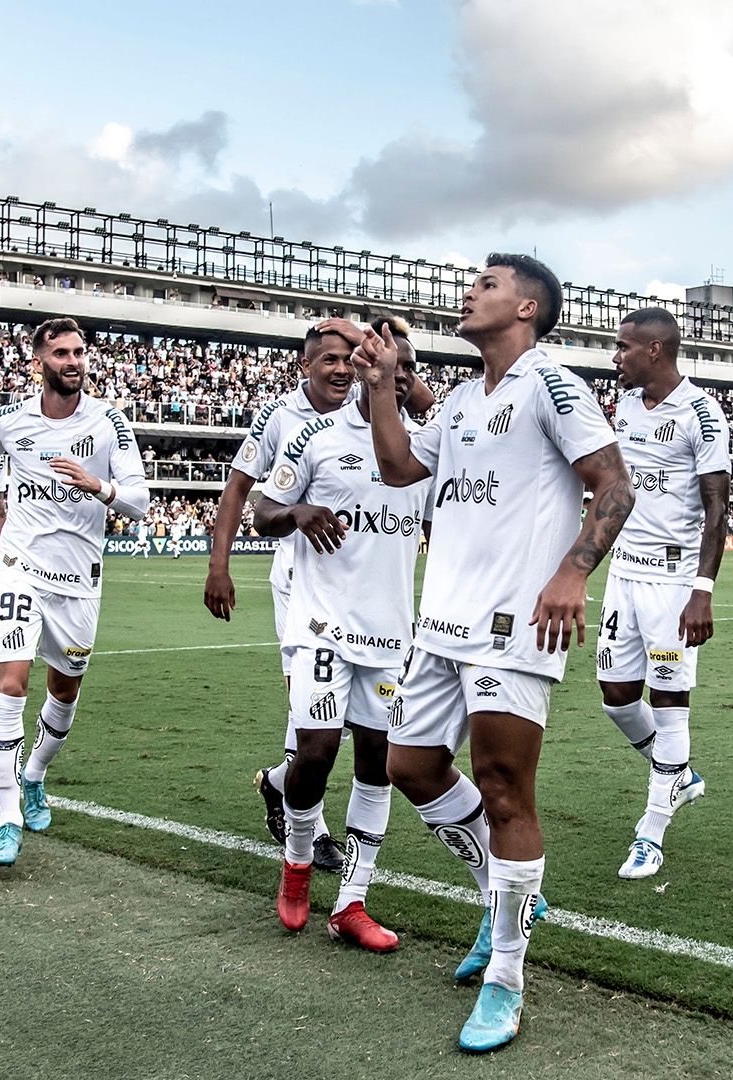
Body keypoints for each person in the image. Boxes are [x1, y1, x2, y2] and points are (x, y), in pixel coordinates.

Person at [352, 253, 634, 1052]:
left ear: (526, 309)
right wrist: (382, 389)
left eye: (487, 285)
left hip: (512, 624)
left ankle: (507, 978)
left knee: (504, 789)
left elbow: (614, 486)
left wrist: (574, 572)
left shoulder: (551, 383)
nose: (469, 293)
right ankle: (502, 893)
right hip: (441, 621)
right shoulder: (467, 399)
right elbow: (400, 466)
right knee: (409, 767)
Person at [205, 322, 434, 873]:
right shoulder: (286, 419)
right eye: (327, 359)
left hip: (380, 602)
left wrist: (382, 361)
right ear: (307, 366)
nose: (337, 368)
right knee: (316, 726)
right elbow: (243, 488)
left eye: (345, 357)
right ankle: (311, 831)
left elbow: (416, 393)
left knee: (368, 744)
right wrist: (220, 564)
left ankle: (284, 787)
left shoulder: (413, 432)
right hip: (303, 577)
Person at [251, 317, 428, 952]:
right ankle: (297, 863)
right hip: (321, 625)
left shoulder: (424, 454)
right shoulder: (319, 440)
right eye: (387, 365)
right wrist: (296, 511)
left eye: (406, 370)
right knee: (317, 752)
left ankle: (351, 902)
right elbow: (262, 509)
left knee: (377, 766)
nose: (397, 377)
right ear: (362, 369)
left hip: (391, 638)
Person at [0, 317, 149, 867]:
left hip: (79, 578)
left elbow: (139, 501)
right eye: (61, 353)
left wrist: (99, 487)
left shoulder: (109, 422)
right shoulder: (12, 420)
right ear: (39, 361)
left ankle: (35, 774)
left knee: (64, 691)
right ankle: (8, 816)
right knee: (10, 681)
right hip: (20, 567)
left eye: (79, 352)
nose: (73, 361)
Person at [595, 307, 728, 880]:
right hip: (623, 573)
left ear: (654, 350)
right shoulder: (624, 405)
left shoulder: (702, 412)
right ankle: (675, 774)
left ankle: (651, 831)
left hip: (673, 583)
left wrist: (702, 591)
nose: (616, 356)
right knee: (616, 697)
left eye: (623, 347)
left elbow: (717, 510)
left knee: (671, 703)